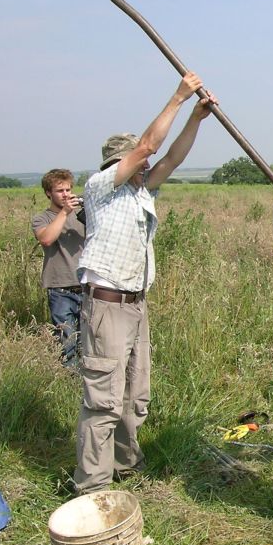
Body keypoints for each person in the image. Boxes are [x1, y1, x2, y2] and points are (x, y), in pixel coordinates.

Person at [71, 72, 216, 495]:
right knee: (103, 400)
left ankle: (126, 466)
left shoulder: (140, 192)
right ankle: (93, 487)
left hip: (136, 304)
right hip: (107, 305)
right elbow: (151, 147)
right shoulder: (101, 187)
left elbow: (170, 159)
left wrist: (197, 117)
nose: (147, 165)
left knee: (136, 395)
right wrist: (178, 96)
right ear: (120, 162)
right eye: (138, 160)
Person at [32, 169, 86, 369]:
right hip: (60, 288)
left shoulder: (81, 217)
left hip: (86, 286)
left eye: (68, 190)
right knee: (66, 342)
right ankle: (68, 380)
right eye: (60, 190)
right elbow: (46, 239)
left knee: (88, 343)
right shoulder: (42, 218)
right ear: (48, 193)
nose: (66, 194)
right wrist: (64, 212)